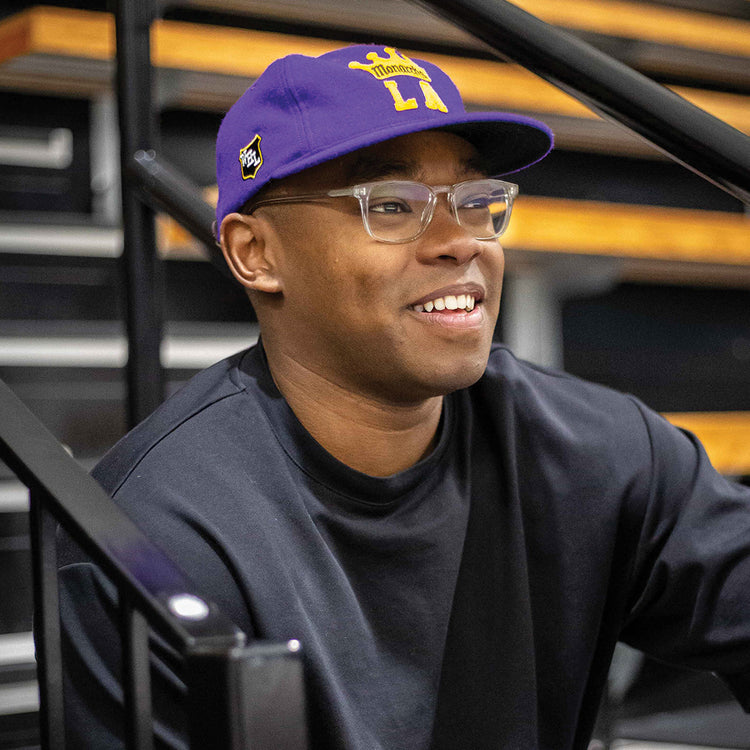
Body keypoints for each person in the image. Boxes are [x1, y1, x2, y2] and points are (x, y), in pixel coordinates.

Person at [58, 44, 750, 749]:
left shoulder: (595, 448)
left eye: (478, 203)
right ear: (254, 253)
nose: (460, 242)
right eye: (391, 205)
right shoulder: (161, 531)